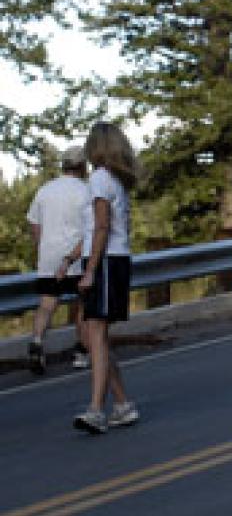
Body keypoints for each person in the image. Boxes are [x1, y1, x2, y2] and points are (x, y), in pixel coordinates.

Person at [73, 122, 140, 435]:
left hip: (106, 262)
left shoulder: (100, 178)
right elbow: (96, 229)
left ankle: (96, 410)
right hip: (113, 259)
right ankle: (122, 404)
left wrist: (90, 270)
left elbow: (102, 226)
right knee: (94, 336)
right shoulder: (115, 180)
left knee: (95, 334)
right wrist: (72, 258)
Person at [25, 146, 90, 375]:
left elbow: (34, 223)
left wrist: (42, 246)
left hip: (49, 257)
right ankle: (81, 351)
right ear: (83, 166)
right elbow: (91, 229)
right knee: (84, 304)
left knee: (47, 304)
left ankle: (36, 341)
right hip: (76, 257)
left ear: (64, 165)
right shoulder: (86, 191)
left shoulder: (45, 190)